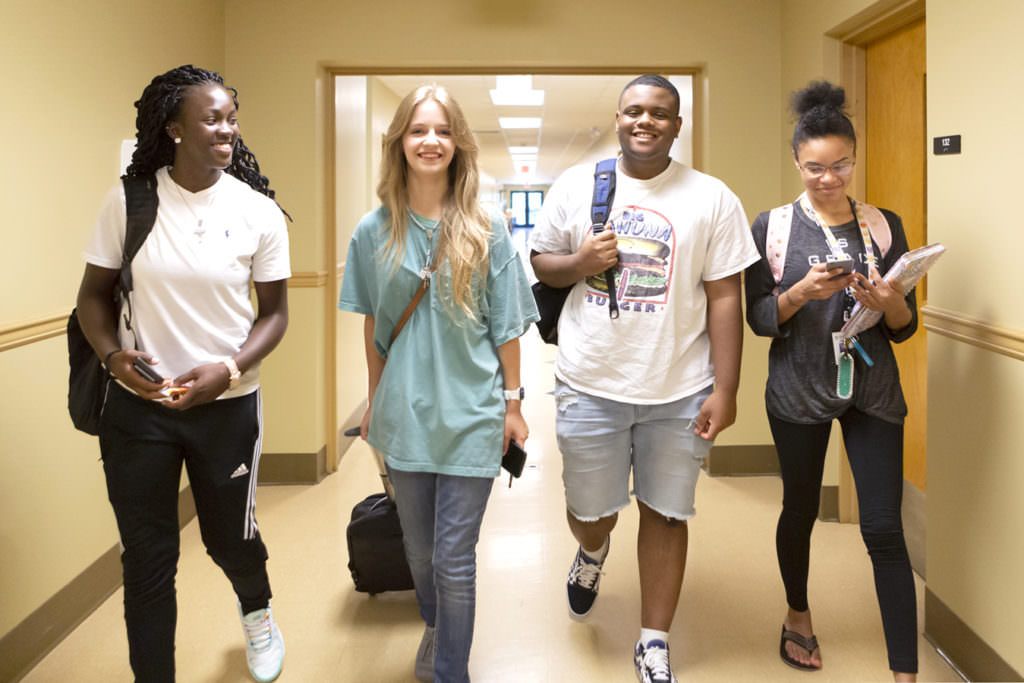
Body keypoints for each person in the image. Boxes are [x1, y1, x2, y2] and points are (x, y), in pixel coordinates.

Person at [529, 74, 760, 683]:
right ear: (618, 118)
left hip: (680, 387)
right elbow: (542, 263)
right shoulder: (577, 185)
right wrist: (580, 262)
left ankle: (653, 642)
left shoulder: (712, 197)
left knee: (667, 513)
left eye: (659, 113)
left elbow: (725, 297)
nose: (645, 121)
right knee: (591, 512)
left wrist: (727, 389)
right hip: (589, 382)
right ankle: (593, 550)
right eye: (634, 110)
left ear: (677, 125)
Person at [75, 65, 290, 683]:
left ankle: (257, 611)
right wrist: (113, 357)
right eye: (212, 119)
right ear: (174, 128)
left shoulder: (257, 212)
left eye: (232, 118)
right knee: (147, 559)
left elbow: (275, 315)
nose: (228, 129)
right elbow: (92, 297)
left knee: (229, 540)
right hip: (139, 408)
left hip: (227, 406)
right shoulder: (129, 201)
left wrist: (230, 368)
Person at [338, 84, 538, 683]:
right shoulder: (373, 231)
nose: (431, 141)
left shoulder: (487, 227)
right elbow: (375, 325)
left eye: (444, 131)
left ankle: (452, 670)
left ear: (459, 145)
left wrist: (513, 404)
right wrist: (374, 401)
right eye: (419, 130)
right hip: (405, 413)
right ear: (399, 142)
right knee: (421, 555)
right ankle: (435, 625)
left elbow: (507, 326)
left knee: (454, 559)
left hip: (474, 412)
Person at [744, 81, 918, 680]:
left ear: (854, 158)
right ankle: (797, 614)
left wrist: (889, 303)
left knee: (884, 527)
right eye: (815, 167)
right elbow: (760, 318)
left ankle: (904, 672)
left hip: (872, 389)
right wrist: (799, 293)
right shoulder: (773, 227)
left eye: (841, 165)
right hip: (799, 388)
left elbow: (904, 328)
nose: (829, 178)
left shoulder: (883, 225)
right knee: (799, 510)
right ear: (797, 162)